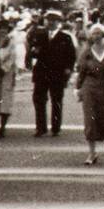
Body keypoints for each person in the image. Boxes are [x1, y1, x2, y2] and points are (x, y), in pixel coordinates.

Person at [25, 9, 76, 137]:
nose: (51, 22)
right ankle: (40, 128)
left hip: (57, 74)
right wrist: (32, 54)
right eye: (49, 20)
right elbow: (31, 51)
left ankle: (55, 127)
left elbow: (71, 56)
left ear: (59, 22)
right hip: (41, 72)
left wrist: (68, 69)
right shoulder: (39, 35)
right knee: (39, 100)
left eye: (54, 20)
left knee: (57, 101)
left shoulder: (65, 37)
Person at [74, 25, 104, 165]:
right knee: (90, 119)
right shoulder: (87, 52)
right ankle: (92, 153)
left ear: (103, 35)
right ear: (90, 36)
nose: (96, 35)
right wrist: (77, 88)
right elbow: (81, 72)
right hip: (90, 87)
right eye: (93, 33)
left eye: (99, 33)